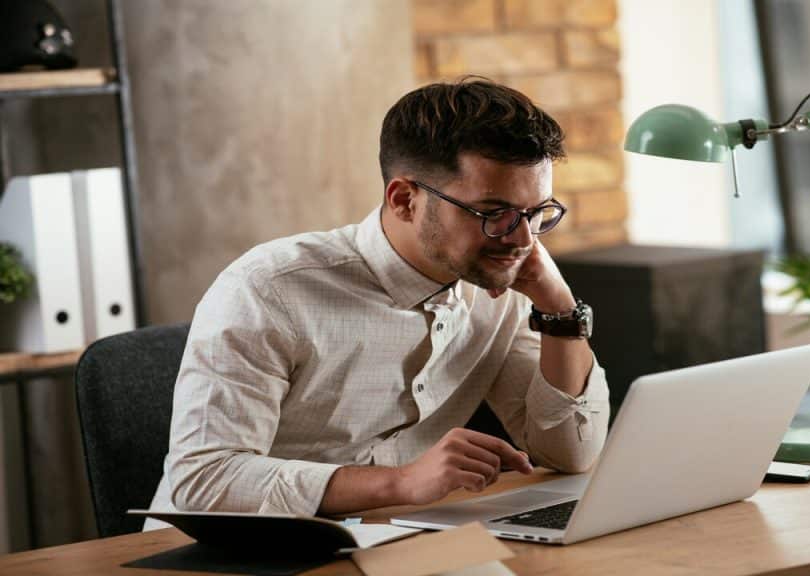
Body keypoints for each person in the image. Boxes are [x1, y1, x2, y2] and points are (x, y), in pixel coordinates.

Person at [144, 77, 610, 528]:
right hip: (230, 556)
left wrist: (560, 309)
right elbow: (203, 480)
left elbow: (571, 453)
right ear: (405, 199)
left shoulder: (497, 288)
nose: (522, 239)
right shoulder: (268, 289)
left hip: (393, 540)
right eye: (493, 213)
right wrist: (400, 483)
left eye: (535, 213)